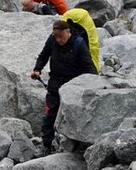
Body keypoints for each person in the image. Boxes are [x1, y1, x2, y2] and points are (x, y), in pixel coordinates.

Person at [32, 19, 94, 153]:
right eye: (56, 37)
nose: (58, 40)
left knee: (74, 116)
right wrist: (37, 69)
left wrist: (95, 83)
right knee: (50, 114)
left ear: (68, 32)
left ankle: (78, 145)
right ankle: (46, 145)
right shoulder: (52, 40)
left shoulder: (79, 44)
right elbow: (43, 56)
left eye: (61, 37)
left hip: (73, 86)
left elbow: (89, 66)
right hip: (55, 83)